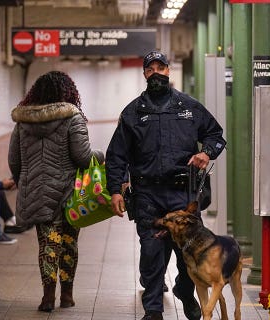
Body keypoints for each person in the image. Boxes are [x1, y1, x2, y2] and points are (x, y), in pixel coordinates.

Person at [106, 50, 226, 320]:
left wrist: (206, 152)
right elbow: (116, 155)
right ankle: (153, 309)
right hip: (148, 195)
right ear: (145, 74)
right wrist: (115, 189)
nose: (156, 73)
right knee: (151, 252)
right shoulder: (133, 112)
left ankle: (185, 290)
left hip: (182, 193)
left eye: (161, 68)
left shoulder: (189, 107)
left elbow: (216, 134)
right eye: (151, 69)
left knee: (190, 253)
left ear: (168, 71)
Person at [8, 71, 103, 313]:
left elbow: (14, 161)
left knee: (48, 244)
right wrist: (103, 155)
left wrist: (26, 181)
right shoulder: (73, 118)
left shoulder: (23, 122)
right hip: (68, 193)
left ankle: (47, 297)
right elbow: (83, 158)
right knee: (68, 243)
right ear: (68, 92)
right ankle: (67, 296)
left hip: (37, 193)